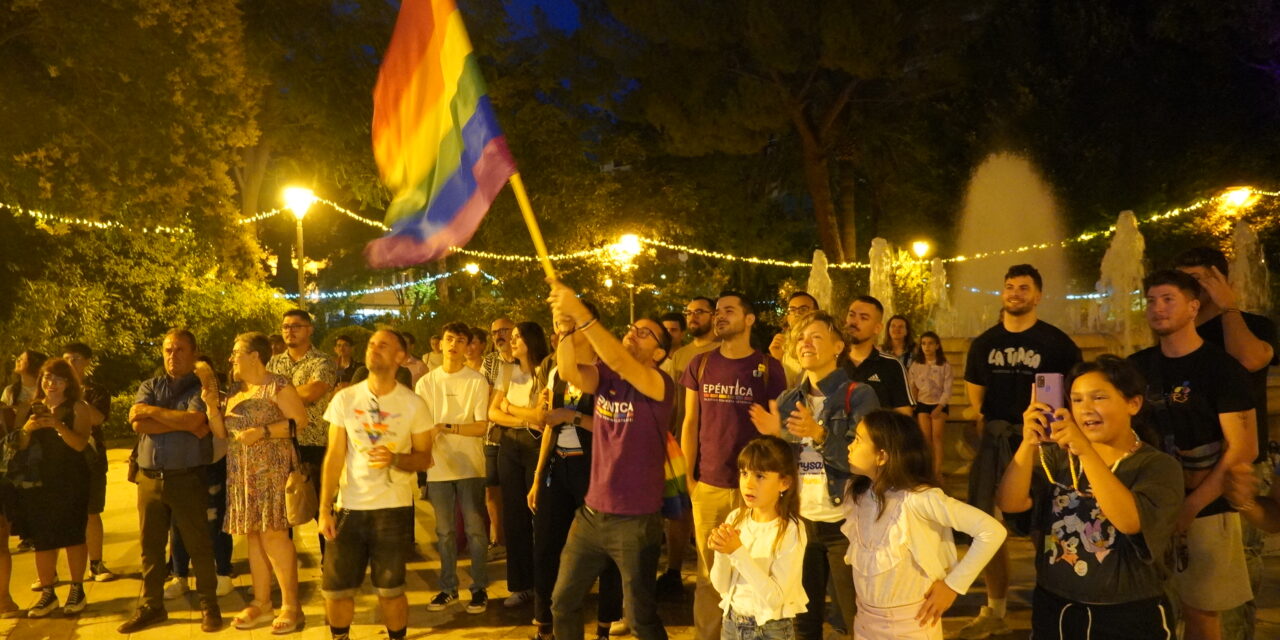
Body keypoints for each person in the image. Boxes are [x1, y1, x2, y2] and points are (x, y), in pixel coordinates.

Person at [997, 355, 1183, 639]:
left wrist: (1085, 450)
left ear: (1133, 403)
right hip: (1055, 607)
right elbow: (1010, 503)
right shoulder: (1056, 458)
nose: (1086, 409)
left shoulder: (1156, 466)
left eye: (1098, 397)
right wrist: (1027, 443)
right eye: (1077, 399)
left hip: (1126, 615)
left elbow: (1131, 521)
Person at [1128, 270, 1256, 640]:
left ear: (1193, 307)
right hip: (1150, 508)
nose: (1157, 309)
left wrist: (1191, 506)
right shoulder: (1137, 366)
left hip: (1207, 508)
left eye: (1168, 299)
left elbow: (1243, 447)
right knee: (1149, 608)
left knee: (1201, 613)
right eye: (1151, 301)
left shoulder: (1220, 368)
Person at [957, 264, 1082, 640]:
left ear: (1038, 296)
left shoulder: (1057, 344)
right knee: (988, 527)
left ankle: (1053, 603)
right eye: (1009, 287)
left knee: (1043, 527)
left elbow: (1075, 397)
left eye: (1023, 288)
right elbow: (975, 403)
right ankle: (995, 609)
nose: (1014, 293)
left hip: (1044, 445)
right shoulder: (983, 344)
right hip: (998, 442)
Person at [547, 279, 674, 640]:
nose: (633, 335)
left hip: (635, 520)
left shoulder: (659, 383)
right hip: (591, 514)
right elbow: (570, 372)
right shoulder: (607, 375)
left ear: (660, 353)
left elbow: (619, 357)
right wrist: (566, 329)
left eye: (645, 334)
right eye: (632, 329)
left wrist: (581, 312)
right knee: (563, 601)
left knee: (640, 618)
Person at [749, 311, 879, 640]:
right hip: (801, 524)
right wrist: (773, 439)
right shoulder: (788, 399)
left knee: (856, 618)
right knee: (802, 619)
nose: (806, 342)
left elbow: (863, 463)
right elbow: (781, 467)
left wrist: (818, 434)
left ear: (838, 346)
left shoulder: (858, 395)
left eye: (816, 336)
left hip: (846, 524)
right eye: (802, 337)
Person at [1174, 246, 1279, 640]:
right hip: (1187, 467)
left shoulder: (1251, 325)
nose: (1191, 291)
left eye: (1199, 281)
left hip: (1239, 467)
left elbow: (1250, 360)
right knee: (1186, 573)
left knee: (1235, 573)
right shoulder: (1177, 332)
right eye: (1183, 282)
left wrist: (1229, 308)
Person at [845, 410, 1005, 640]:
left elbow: (992, 530)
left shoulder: (919, 499)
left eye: (858, 440)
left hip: (911, 626)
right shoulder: (860, 495)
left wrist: (953, 585)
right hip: (865, 623)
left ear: (882, 456)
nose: (850, 446)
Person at [682, 291, 787, 640]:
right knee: (710, 575)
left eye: (729, 311)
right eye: (718, 312)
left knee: (755, 569)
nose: (719, 317)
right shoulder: (700, 364)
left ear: (749, 319)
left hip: (754, 488)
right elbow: (690, 422)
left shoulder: (770, 368)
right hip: (709, 485)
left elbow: (777, 428)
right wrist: (690, 478)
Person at [319, 329, 434, 640]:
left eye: (383, 345)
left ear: (400, 356)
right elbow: (334, 456)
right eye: (371, 344)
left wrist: (396, 459)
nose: (374, 349)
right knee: (337, 590)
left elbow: (425, 459)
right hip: (349, 507)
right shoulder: (345, 398)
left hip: (393, 509)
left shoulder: (413, 404)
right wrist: (324, 509)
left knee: (391, 589)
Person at [201, 332, 309, 633]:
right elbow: (222, 433)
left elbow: (299, 421)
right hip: (241, 473)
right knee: (253, 536)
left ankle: (291, 605)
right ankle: (262, 602)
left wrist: (262, 431)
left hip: (271, 470)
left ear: (254, 356)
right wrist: (211, 407)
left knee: (275, 536)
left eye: (236, 352)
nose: (231, 358)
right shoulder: (235, 389)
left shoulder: (277, 384)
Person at [528, 304, 624, 640]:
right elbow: (548, 428)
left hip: (596, 469)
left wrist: (572, 417)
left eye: (568, 325)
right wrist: (539, 476)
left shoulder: (607, 371)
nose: (560, 334)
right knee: (546, 546)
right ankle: (545, 623)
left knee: (604, 550)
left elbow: (617, 428)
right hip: (559, 466)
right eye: (557, 326)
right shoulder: (555, 373)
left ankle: (605, 624)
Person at [119, 329, 221, 634]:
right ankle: (152, 606)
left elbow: (193, 421)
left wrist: (152, 414)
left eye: (179, 350)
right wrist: (179, 423)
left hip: (186, 478)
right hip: (149, 480)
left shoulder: (199, 389)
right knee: (150, 548)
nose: (172, 356)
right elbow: (137, 423)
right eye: (167, 350)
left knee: (198, 545)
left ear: (193, 353)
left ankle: (209, 606)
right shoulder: (150, 385)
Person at [415, 323, 492, 614]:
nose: (453, 345)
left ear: (468, 346)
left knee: (475, 530)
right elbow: (419, 425)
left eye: (460, 341)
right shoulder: (426, 383)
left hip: (470, 465)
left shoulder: (476, 381)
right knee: (444, 531)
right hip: (438, 467)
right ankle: (448, 588)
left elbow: (481, 426)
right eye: (449, 339)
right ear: (440, 343)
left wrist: (446, 426)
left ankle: (480, 588)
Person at [708, 436, 807, 640]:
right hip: (731, 624)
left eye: (760, 476)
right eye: (744, 473)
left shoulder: (790, 529)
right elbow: (721, 586)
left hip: (770, 630)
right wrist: (721, 552)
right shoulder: (735, 517)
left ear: (784, 482)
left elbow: (775, 599)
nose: (749, 484)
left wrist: (736, 552)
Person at [19, 358, 93, 617]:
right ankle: (48, 593)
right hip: (39, 482)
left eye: (58, 379)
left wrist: (57, 425)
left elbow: (80, 444)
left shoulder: (77, 407)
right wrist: (27, 429)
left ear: (68, 383)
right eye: (47, 378)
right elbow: (19, 446)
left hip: (70, 479)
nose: (51, 383)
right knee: (43, 539)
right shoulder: (31, 407)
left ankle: (77, 589)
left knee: (73, 535)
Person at [659, 296, 719, 597]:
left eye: (700, 312)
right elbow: (672, 402)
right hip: (682, 442)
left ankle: (712, 576)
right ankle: (673, 570)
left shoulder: (723, 351)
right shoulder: (680, 356)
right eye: (690, 312)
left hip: (713, 445)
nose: (694, 317)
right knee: (679, 511)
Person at [488, 321, 550, 607]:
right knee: (513, 516)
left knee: (540, 515)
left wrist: (511, 409)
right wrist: (523, 417)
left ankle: (545, 585)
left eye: (517, 337)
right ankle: (520, 585)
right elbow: (492, 412)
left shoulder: (545, 371)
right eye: (510, 337)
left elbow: (541, 417)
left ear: (531, 340)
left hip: (537, 446)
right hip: (510, 446)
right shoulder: (507, 372)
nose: (511, 341)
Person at [267, 309, 337, 557]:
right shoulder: (274, 362)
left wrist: (279, 395)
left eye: (296, 326)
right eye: (285, 326)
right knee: (281, 511)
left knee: (322, 508)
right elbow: (263, 395)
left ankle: (330, 564)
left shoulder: (323, 361)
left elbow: (314, 392)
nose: (289, 331)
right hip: (280, 443)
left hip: (314, 444)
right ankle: (284, 566)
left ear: (309, 329)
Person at [165, 355, 235, 600]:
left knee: (216, 523)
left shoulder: (222, 398)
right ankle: (179, 575)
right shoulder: (175, 396)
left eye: (204, 373)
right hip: (182, 466)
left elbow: (207, 426)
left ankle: (223, 573)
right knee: (179, 523)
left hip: (214, 463)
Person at [61, 342, 117, 582]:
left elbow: (97, 418)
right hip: (61, 460)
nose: (71, 363)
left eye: (76, 359)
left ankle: (96, 563)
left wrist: (77, 396)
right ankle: (57, 571)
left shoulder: (96, 390)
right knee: (63, 513)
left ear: (86, 362)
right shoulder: (54, 389)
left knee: (92, 511)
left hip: (91, 458)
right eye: (66, 359)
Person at [482, 317, 519, 555]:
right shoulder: (490, 362)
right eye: (494, 332)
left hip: (519, 434)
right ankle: (500, 539)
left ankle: (519, 535)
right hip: (493, 433)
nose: (498, 335)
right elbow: (486, 399)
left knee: (515, 488)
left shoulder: (525, 361)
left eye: (504, 330)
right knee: (492, 487)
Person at [843, 296, 913, 415]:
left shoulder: (892, 366)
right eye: (851, 315)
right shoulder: (831, 360)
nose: (854, 322)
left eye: (863, 318)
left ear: (877, 328)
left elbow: (904, 414)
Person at [908, 332, 952, 483]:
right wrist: (913, 404)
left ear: (937, 345)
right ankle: (927, 471)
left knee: (937, 437)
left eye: (930, 343)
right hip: (923, 404)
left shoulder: (944, 365)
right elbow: (912, 385)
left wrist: (940, 407)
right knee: (926, 439)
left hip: (939, 404)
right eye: (924, 343)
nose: (927, 347)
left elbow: (947, 389)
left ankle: (937, 471)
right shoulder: (917, 365)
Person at [769, 291, 820, 388]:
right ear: (787, 317)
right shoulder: (782, 347)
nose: (797, 314)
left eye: (803, 309)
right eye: (792, 310)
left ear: (816, 314)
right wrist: (777, 360)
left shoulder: (823, 345)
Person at [1, 350, 47, 430]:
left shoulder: (46, 389)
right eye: (18, 358)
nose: (17, 360)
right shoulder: (10, 390)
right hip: (15, 434)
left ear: (33, 364)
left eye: (22, 359)